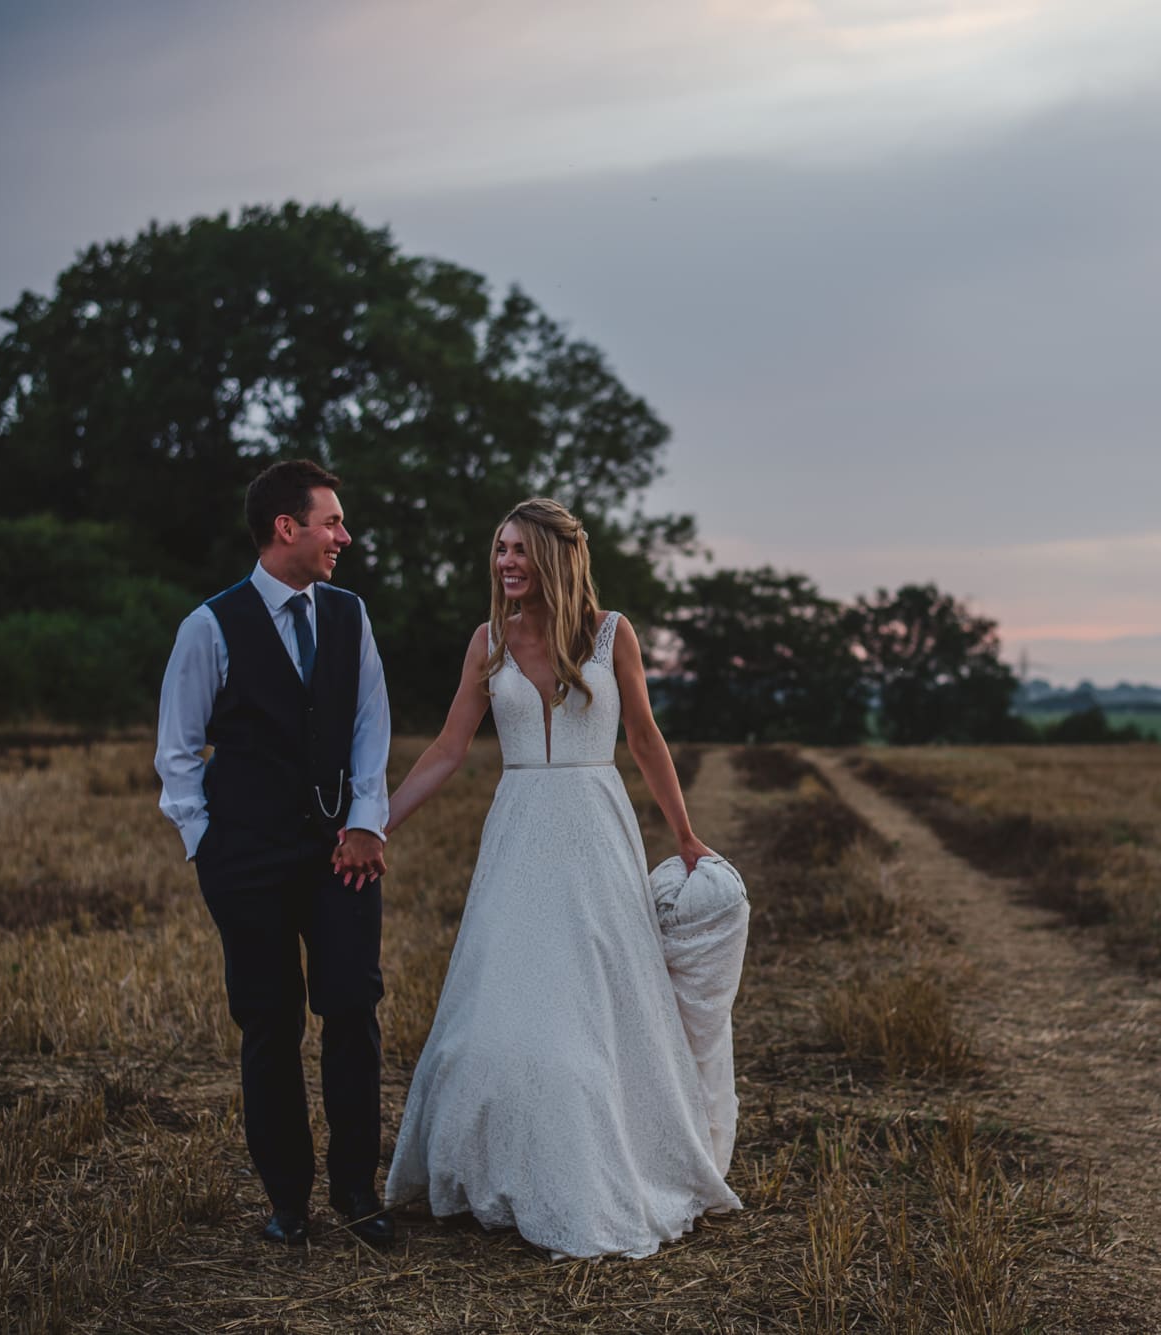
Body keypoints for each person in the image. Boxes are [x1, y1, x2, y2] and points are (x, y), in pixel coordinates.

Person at [370, 497, 742, 1258]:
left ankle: (603, 1165)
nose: (505, 562)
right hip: (518, 831)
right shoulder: (487, 640)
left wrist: (684, 832)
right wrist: (373, 822)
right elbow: (447, 749)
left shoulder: (612, 634)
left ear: (555, 557)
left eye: (519, 550)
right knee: (501, 1002)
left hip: (594, 828)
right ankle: (496, 1166)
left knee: (595, 1002)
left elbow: (643, 737)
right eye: (499, 548)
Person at [154, 459, 395, 1248]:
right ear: (285, 528)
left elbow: (370, 728)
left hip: (341, 855)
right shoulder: (208, 626)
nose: (344, 537)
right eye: (332, 521)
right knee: (269, 1021)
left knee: (353, 1010)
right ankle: (287, 1200)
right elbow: (179, 752)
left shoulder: (351, 615)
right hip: (246, 860)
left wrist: (366, 823)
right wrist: (208, 846)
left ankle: (359, 1190)